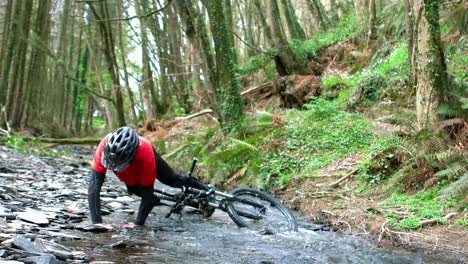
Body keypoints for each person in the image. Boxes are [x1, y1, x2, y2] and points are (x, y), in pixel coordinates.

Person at [88, 126, 209, 227]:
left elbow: (147, 188)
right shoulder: (104, 146)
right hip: (126, 163)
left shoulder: (144, 151)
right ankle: (152, 201)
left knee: (171, 179)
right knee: (133, 188)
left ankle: (205, 190)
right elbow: (94, 186)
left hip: (144, 156)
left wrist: (138, 223)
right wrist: (97, 223)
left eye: (116, 163)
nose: (113, 165)